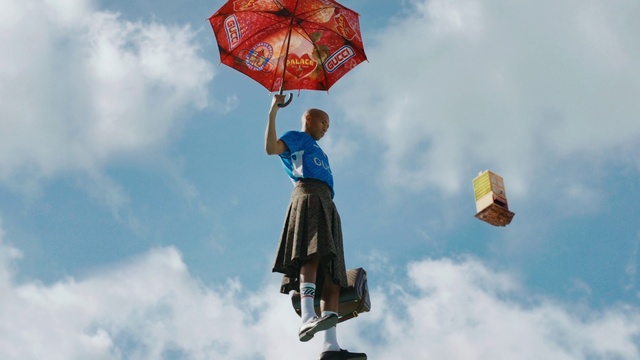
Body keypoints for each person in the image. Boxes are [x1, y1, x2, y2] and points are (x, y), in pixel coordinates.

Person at [265, 94, 367, 360]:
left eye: (329, 125)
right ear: (309, 119)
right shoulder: (298, 138)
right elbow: (270, 148)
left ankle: (330, 347)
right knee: (313, 253)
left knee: (333, 275)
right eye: (323, 122)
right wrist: (273, 111)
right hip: (308, 196)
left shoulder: (321, 152)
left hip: (328, 204)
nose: (326, 128)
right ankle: (308, 316)